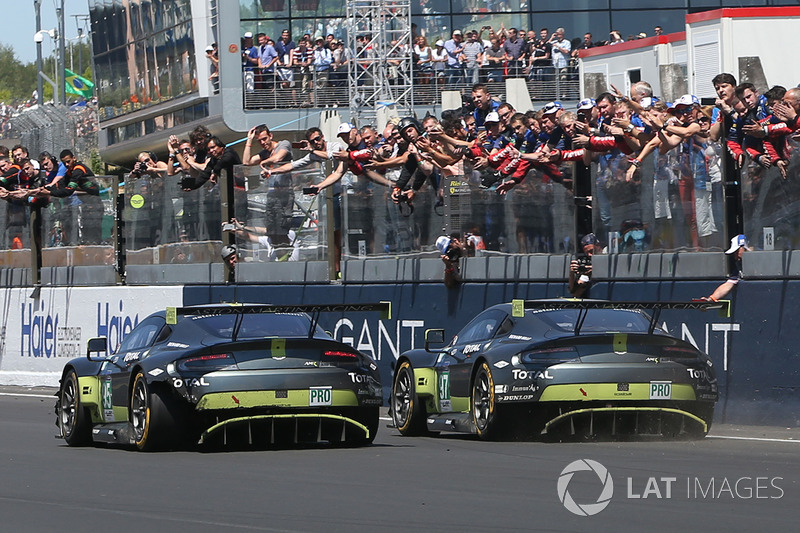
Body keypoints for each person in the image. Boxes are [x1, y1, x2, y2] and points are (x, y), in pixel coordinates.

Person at [704, 234, 749, 301]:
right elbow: (728, 284)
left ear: (744, 248)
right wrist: (710, 299)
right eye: (734, 253)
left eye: (737, 251)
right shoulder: (738, 267)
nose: (735, 256)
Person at [569, 233, 601, 298]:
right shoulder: (588, 264)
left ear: (598, 246)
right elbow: (575, 294)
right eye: (586, 253)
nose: (589, 255)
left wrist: (597, 270)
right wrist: (572, 274)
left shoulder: (609, 256)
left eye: (591, 251)